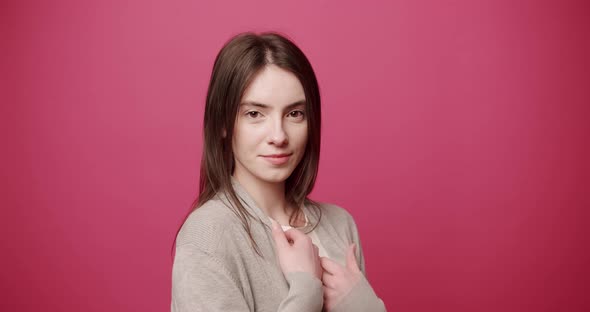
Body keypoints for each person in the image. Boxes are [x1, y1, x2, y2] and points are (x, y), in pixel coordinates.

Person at [171, 32, 386, 312]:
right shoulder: (208, 235)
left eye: (294, 113)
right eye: (255, 114)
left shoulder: (340, 224)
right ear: (223, 123)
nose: (279, 135)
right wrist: (305, 289)